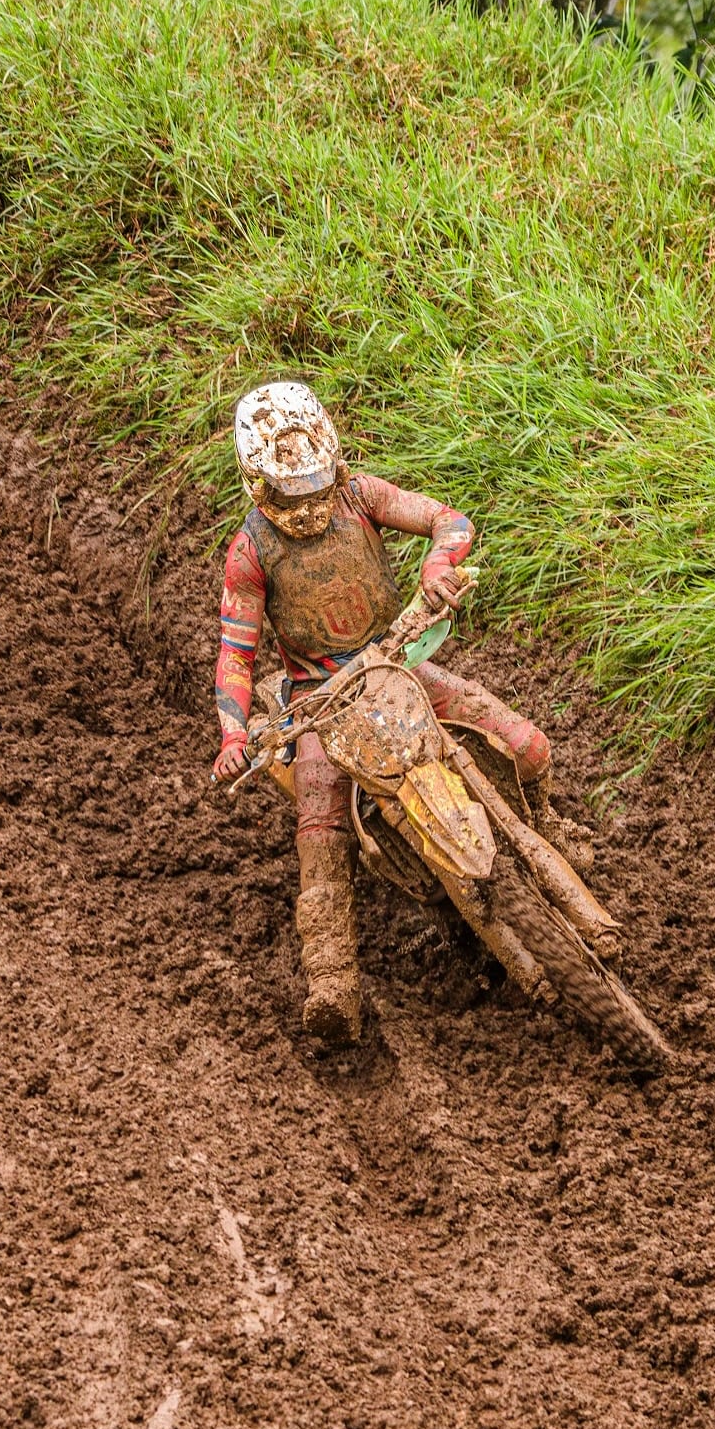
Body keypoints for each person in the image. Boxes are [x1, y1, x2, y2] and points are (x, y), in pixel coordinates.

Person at [213, 381, 587, 1045]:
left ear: (336, 468)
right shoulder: (250, 553)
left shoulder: (363, 497)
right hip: (317, 698)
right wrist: (233, 734)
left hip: (396, 660)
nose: (307, 507)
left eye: (318, 486)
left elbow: (452, 518)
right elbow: (236, 654)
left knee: (525, 744)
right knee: (319, 829)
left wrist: (440, 567)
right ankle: (332, 982)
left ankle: (546, 823)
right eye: (289, 496)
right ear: (257, 486)